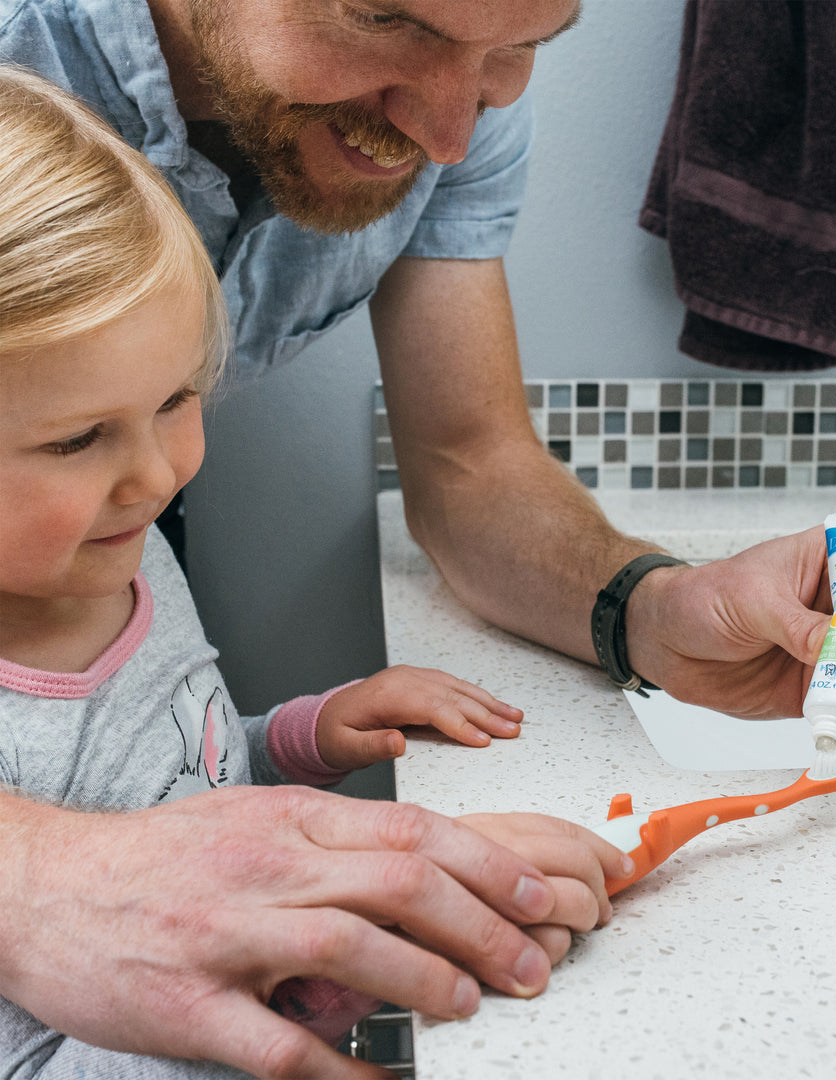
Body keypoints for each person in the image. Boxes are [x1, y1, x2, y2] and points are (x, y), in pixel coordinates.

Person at [0, 0, 836, 1072]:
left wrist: (653, 610)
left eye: (518, 51)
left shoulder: (123, 566)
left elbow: (470, 462)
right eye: (392, 22)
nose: (451, 135)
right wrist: (42, 874)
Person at [0, 64, 631, 1079]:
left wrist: (304, 736)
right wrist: (329, 957)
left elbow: (183, 783)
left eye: (176, 400)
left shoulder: (121, 552)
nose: (156, 475)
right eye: (80, 440)